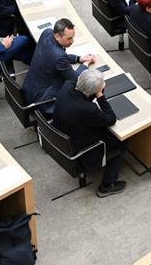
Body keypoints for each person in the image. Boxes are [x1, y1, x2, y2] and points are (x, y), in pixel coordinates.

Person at [52, 69, 128, 198]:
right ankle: (107, 186)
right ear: (94, 91)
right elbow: (111, 119)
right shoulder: (88, 109)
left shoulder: (67, 87)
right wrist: (100, 96)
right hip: (84, 149)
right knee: (121, 141)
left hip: (65, 136)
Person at [23, 18, 97, 115]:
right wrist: (86, 64)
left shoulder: (47, 32)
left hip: (29, 90)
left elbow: (57, 55)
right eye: (69, 38)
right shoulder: (59, 57)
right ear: (57, 36)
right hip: (42, 100)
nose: (72, 41)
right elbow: (75, 79)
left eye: (73, 37)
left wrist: (79, 58)